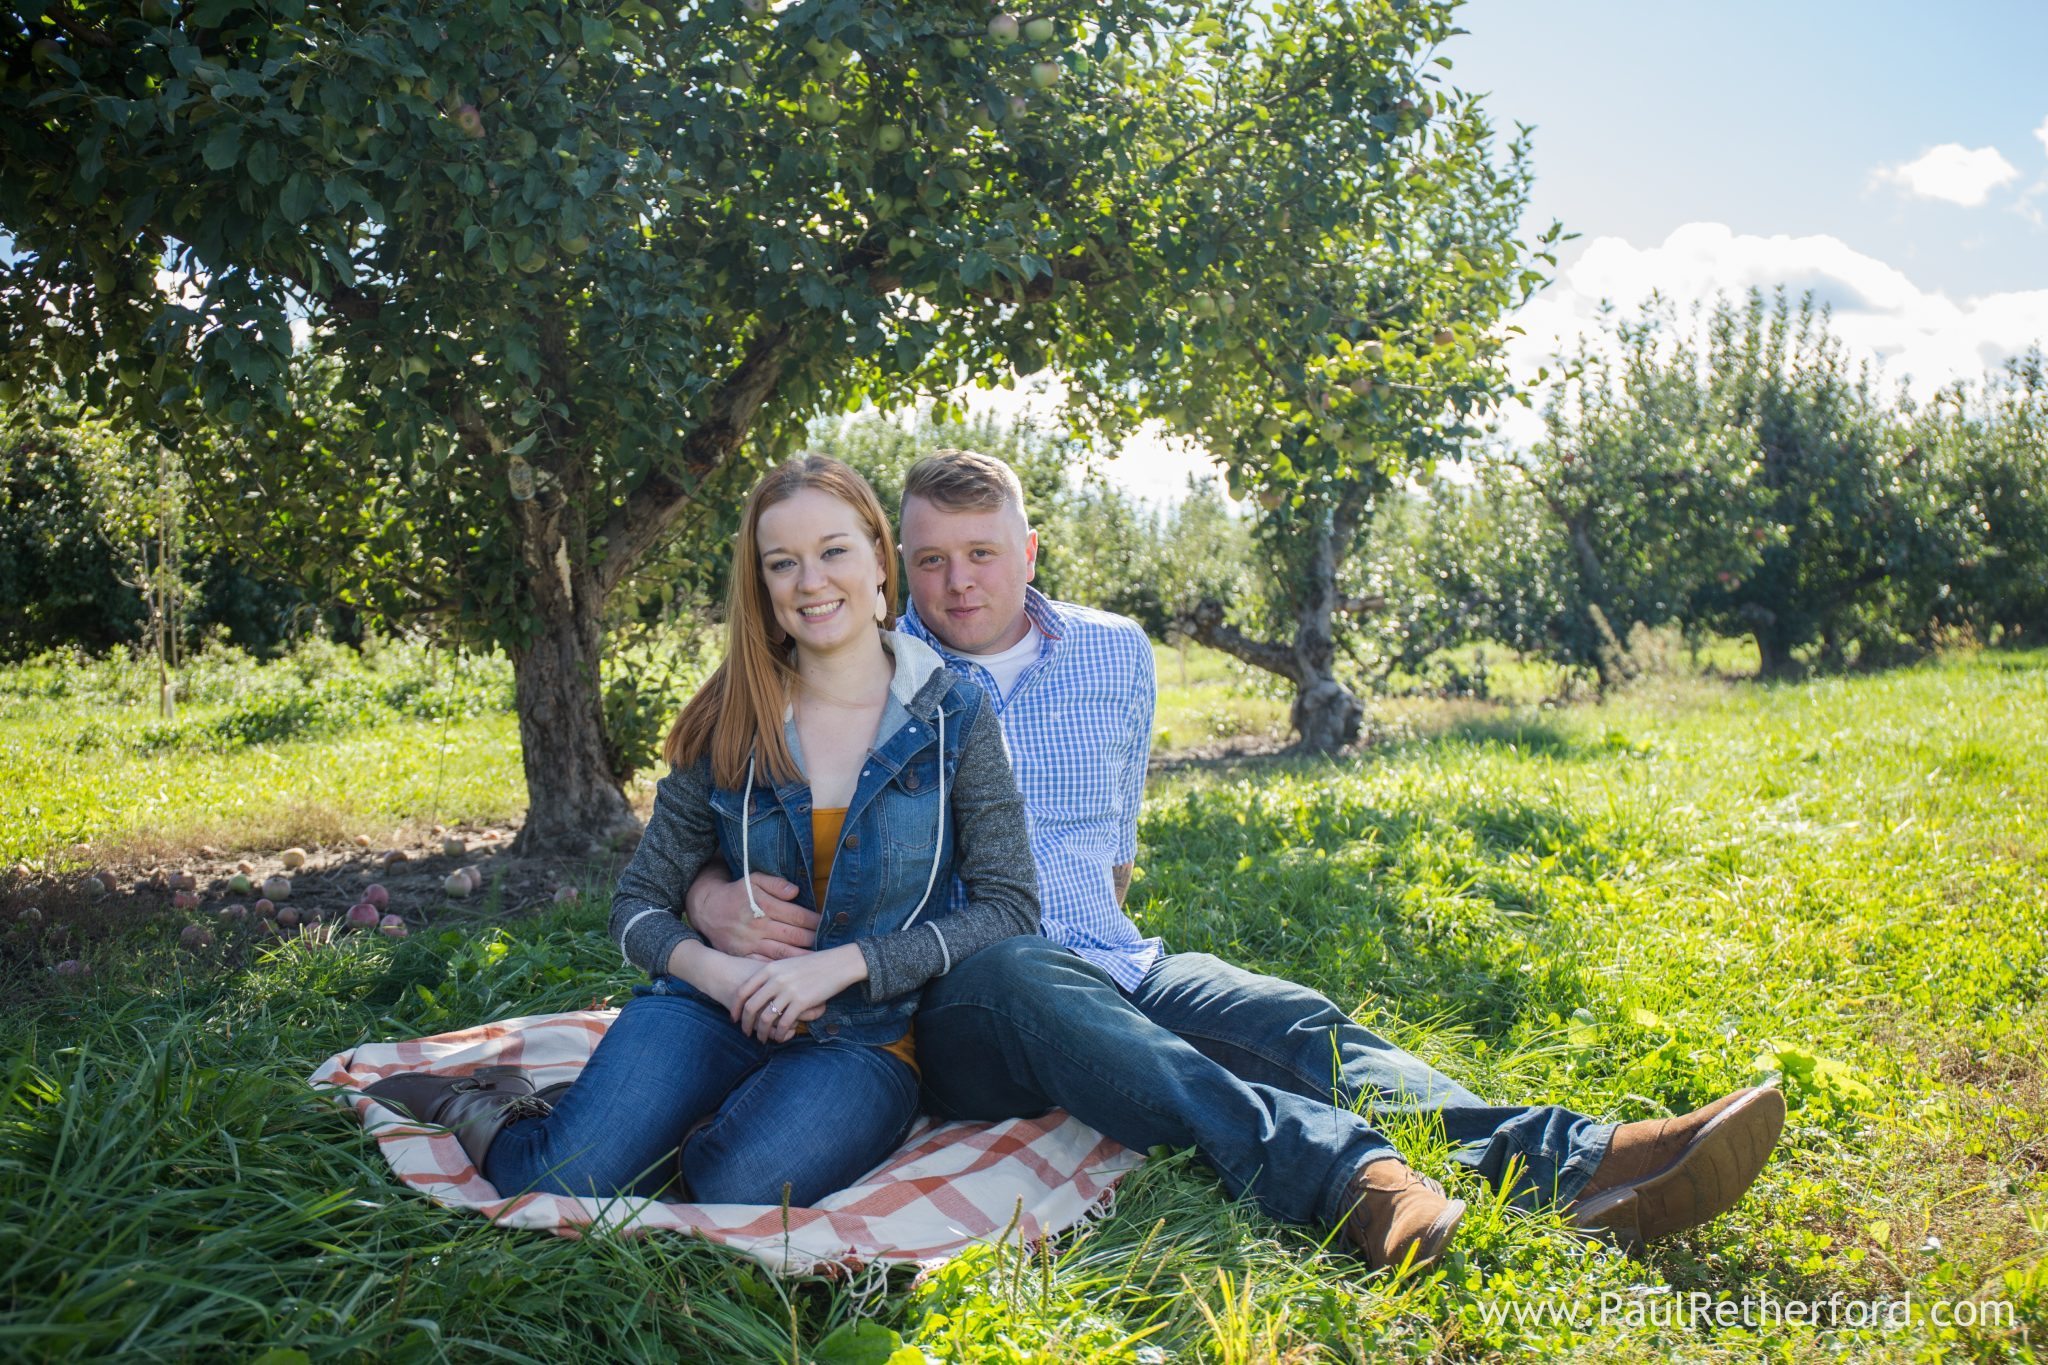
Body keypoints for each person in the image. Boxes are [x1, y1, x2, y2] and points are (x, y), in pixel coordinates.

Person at [686, 447, 1786, 1268]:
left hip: (1106, 951)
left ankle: (1581, 1162)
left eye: (981, 555)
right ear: (892, 567)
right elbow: (710, 811)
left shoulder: (1113, 654)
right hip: (954, 994)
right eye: (928, 562)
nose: (957, 584)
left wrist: (1121, 967)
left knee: (1287, 1018)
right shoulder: (862, 657)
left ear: (1027, 551)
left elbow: (1109, 842)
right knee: (1024, 977)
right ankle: (1352, 1182)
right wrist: (711, 895)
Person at [366, 455, 1039, 1207]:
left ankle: (661, 1125)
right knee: (555, 1178)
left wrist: (847, 963)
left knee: (738, 1183)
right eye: (783, 563)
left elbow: (1010, 904)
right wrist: (725, 974)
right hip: (714, 1007)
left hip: (864, 1040)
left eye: (833, 551)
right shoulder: (731, 717)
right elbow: (636, 909)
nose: (811, 582)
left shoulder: (954, 717)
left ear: (880, 556)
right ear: (762, 585)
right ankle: (491, 1105)